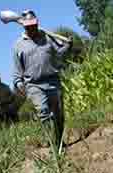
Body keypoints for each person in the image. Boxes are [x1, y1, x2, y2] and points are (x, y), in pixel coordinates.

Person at [12, 10, 73, 154]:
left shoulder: (47, 38)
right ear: (24, 26)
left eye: (34, 25)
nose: (31, 28)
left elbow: (59, 53)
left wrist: (68, 46)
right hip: (34, 85)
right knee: (43, 112)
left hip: (53, 81)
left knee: (59, 115)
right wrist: (20, 85)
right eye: (28, 26)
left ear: (37, 23)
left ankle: (58, 143)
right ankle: (52, 145)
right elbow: (17, 70)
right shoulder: (18, 46)